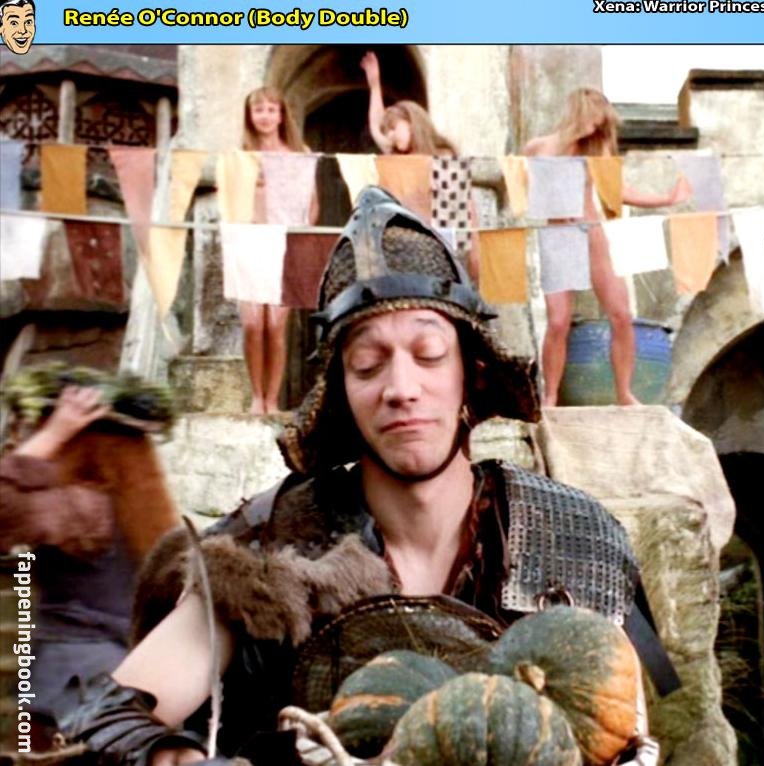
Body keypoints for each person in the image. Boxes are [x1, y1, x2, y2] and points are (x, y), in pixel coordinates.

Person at [59, 189, 679, 765]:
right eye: (367, 364)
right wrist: (177, 758)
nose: (401, 388)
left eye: (429, 355)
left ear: (471, 374)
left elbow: (621, 737)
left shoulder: (571, 536)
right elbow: (107, 720)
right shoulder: (272, 548)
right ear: (342, 396)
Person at [0, 376, 181, 750]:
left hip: (68, 684)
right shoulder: (140, 513)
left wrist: (52, 434)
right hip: (123, 677)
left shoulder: (83, 508)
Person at [524, 87, 692, 407]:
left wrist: (666, 198)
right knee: (558, 321)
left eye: (602, 123)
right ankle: (551, 395)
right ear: (580, 112)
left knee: (621, 313)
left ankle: (624, 393)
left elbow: (618, 191)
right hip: (557, 237)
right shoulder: (538, 147)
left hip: (592, 234)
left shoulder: (595, 150)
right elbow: (519, 187)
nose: (597, 128)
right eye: (594, 120)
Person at [360, 50, 480, 280]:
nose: (391, 136)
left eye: (394, 128)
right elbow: (377, 128)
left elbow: (461, 214)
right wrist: (374, 86)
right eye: (388, 132)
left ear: (412, 122)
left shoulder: (442, 156)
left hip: (439, 250)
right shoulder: (398, 161)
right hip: (403, 249)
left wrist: (472, 259)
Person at [238, 86, 318, 415]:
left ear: (281, 115)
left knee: (275, 325)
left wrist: (301, 239)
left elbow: (312, 204)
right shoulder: (242, 156)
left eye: (272, 109)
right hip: (249, 241)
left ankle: (271, 399)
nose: (265, 116)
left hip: (285, 244)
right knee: (253, 324)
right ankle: (256, 396)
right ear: (250, 116)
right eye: (259, 110)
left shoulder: (299, 153)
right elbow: (228, 199)